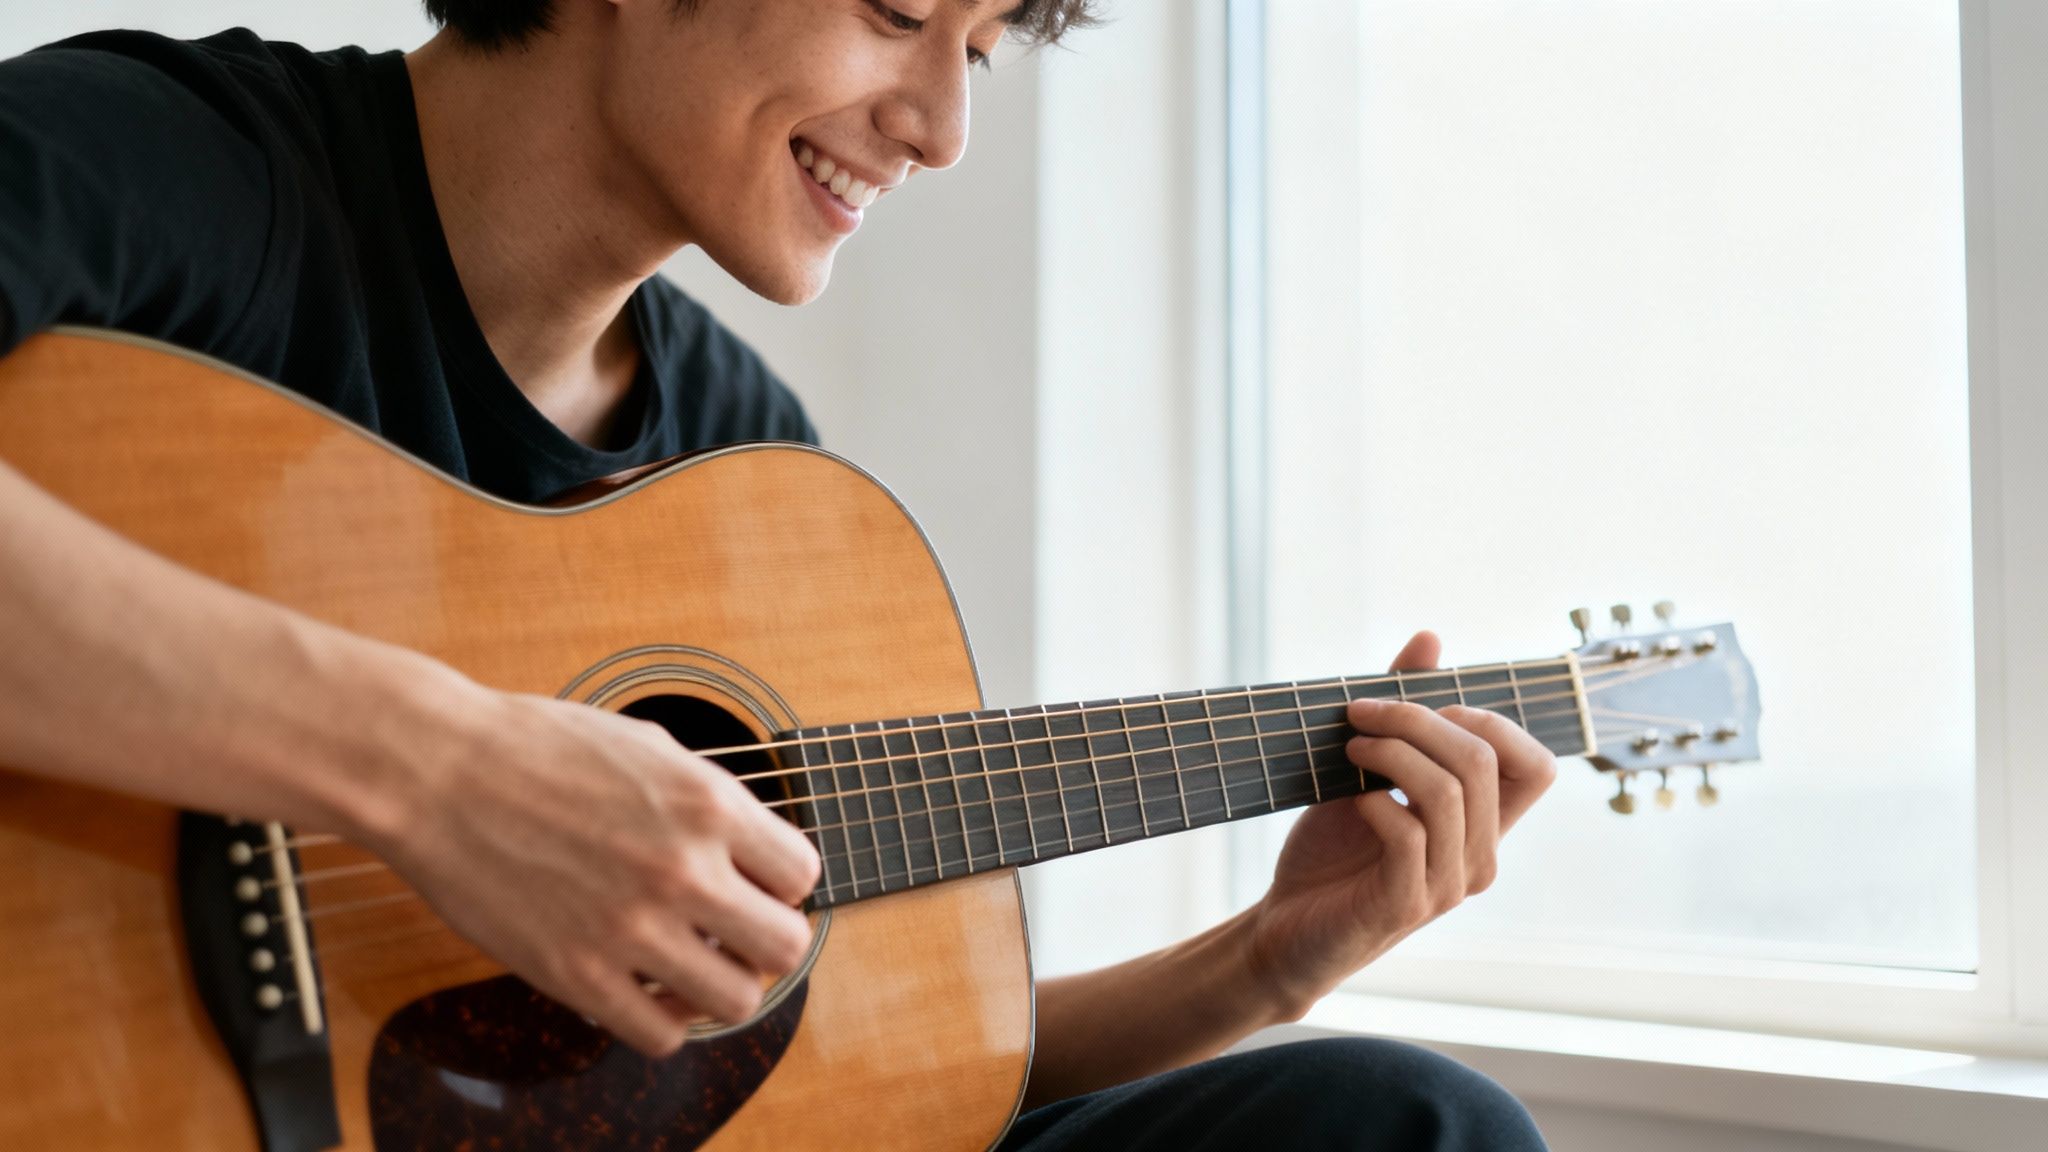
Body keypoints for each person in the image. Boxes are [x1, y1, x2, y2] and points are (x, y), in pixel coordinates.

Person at [0, 2, 1556, 1148]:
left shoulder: (757, 483)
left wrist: (1261, 964)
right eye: (898, 15)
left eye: (987, 48)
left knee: (1406, 1124)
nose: (943, 127)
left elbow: (845, 1084)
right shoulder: (156, 166)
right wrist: (435, 769)